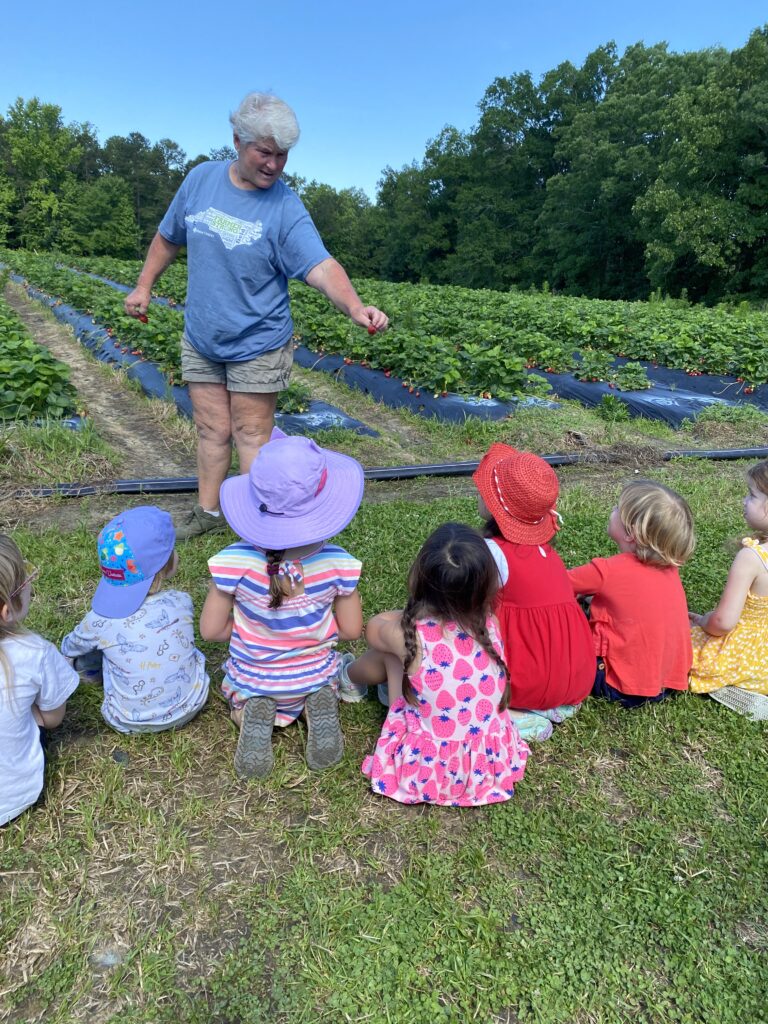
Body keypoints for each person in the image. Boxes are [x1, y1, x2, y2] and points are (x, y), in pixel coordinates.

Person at [123, 92, 389, 540]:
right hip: (203, 335)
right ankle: (208, 512)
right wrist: (144, 285)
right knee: (211, 429)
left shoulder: (285, 207)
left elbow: (321, 266)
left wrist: (354, 305)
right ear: (237, 140)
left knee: (250, 434)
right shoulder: (200, 181)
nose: (274, 164)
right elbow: (169, 237)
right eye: (264, 152)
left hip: (258, 342)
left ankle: (257, 521)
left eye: (282, 155)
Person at [200, 434, 364, 778]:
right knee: (317, 683)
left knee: (243, 698)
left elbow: (211, 630)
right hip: (314, 673)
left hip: (254, 678)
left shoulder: (233, 562)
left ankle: (250, 713)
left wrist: (249, 632)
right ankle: (312, 704)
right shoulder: (339, 563)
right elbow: (351, 630)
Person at [355, 522, 529, 806]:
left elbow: (372, 629)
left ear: (421, 577)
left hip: (429, 771)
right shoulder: (490, 624)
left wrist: (412, 613)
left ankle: (348, 678)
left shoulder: (412, 635)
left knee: (392, 652)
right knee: (403, 651)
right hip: (485, 767)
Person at [471, 443, 595, 742]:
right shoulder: (544, 551)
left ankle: (514, 713)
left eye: (485, 489)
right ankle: (552, 704)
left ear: (495, 505)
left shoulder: (491, 553)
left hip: (527, 678)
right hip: (575, 675)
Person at [61, 507, 209, 733]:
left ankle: (90, 674)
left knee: (93, 650)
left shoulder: (99, 619)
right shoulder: (182, 601)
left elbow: (71, 646)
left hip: (128, 721)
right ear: (169, 563)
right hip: (192, 704)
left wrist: (67, 656)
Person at [568, 480, 695, 708]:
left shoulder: (607, 571)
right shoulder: (670, 570)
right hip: (666, 684)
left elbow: (555, 586)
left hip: (618, 685)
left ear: (631, 533)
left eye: (617, 508)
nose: (612, 511)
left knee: (561, 621)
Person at [0, 536, 79, 827]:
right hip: (13, 796)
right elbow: (53, 718)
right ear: (8, 610)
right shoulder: (36, 652)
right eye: (25, 579)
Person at [688, 460, 768, 698]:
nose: (744, 501)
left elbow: (723, 622)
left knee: (673, 637)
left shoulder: (752, 557)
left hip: (742, 659)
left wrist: (703, 620)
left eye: (752, 495)